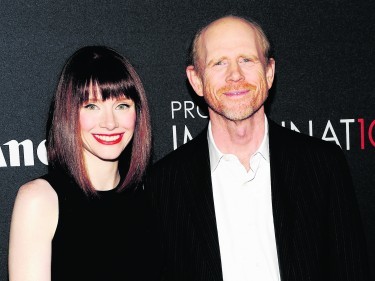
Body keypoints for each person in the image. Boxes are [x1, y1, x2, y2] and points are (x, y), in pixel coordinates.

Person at [146, 15, 370, 281]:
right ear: (196, 80)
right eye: (219, 62)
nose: (235, 75)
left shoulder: (323, 166)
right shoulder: (164, 184)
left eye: (247, 59)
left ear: (269, 72)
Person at [8, 46, 161, 281]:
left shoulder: (153, 194)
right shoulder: (40, 199)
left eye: (122, 106)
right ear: (68, 113)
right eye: (91, 106)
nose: (110, 123)